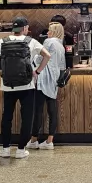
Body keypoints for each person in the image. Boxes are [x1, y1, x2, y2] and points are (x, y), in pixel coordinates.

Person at [0, 15, 50, 159]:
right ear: (25, 28)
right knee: (26, 118)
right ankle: (21, 150)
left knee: (7, 117)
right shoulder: (31, 41)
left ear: (14, 29)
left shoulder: (3, 41)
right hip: (27, 85)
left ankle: (5, 149)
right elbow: (47, 55)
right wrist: (37, 71)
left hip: (8, 85)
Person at [27, 21, 66, 150]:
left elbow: (39, 58)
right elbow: (62, 66)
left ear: (53, 32)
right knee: (52, 110)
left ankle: (33, 140)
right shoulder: (61, 45)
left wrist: (32, 64)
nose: (47, 32)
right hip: (53, 80)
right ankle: (50, 141)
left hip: (43, 78)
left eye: (49, 30)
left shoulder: (49, 42)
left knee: (38, 111)